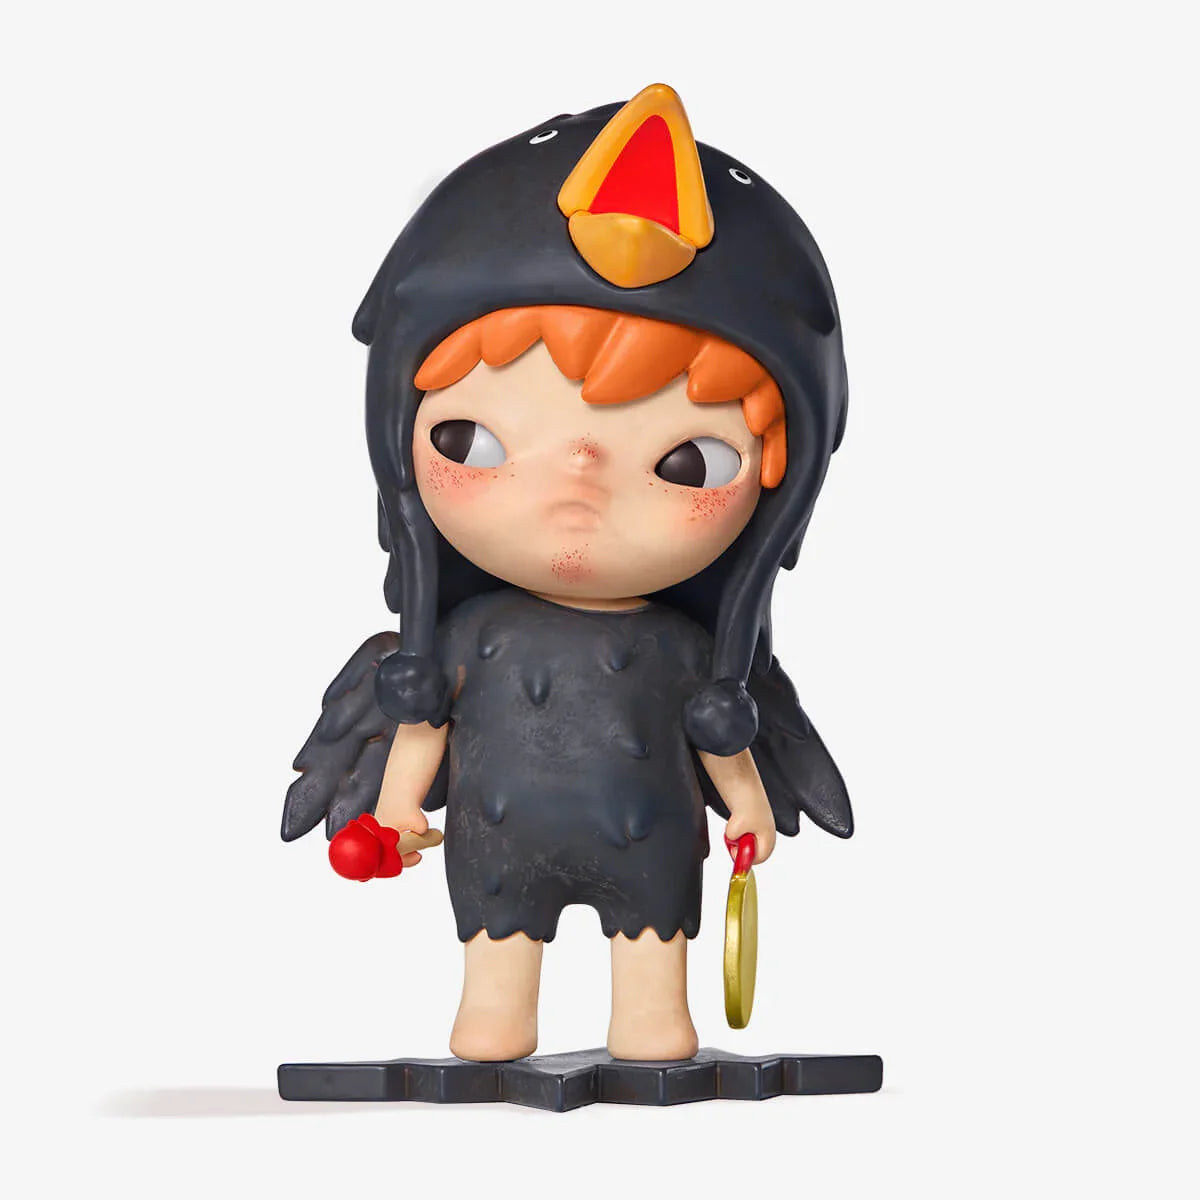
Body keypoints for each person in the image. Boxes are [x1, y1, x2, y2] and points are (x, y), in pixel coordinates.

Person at [282, 83, 855, 1063]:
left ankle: (651, 1024)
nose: (579, 477)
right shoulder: (461, 642)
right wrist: (397, 808)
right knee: (494, 968)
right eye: (473, 439)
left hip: (653, 839)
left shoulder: (686, 653)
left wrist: (750, 809)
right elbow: (422, 725)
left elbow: (719, 738)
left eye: (687, 462)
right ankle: (496, 1020)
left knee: (654, 973)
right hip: (494, 847)